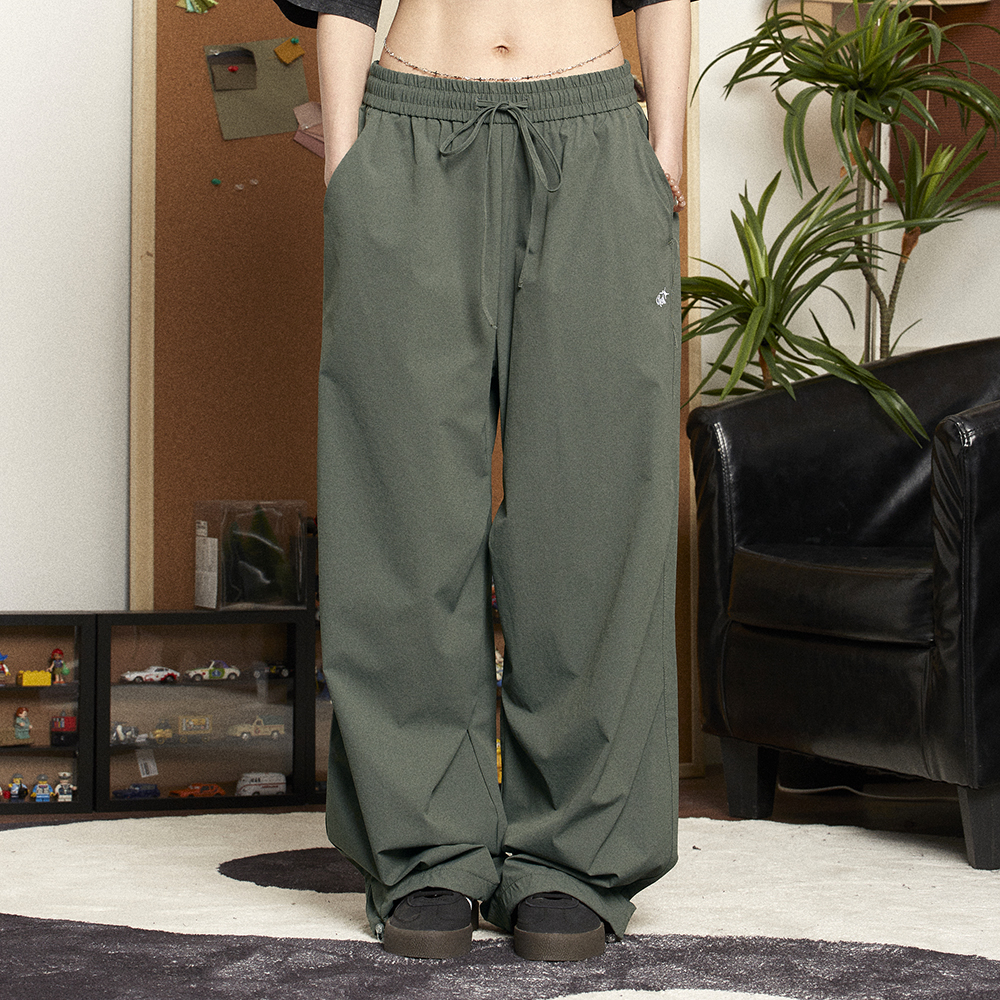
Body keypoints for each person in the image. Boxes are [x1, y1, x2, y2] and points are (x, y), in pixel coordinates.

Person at [273, 0, 692, 962]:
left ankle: (575, 860)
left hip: (594, 128)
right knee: (403, 509)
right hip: (410, 126)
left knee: (592, 513)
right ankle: (425, 851)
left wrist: (661, 148)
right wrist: (348, 165)